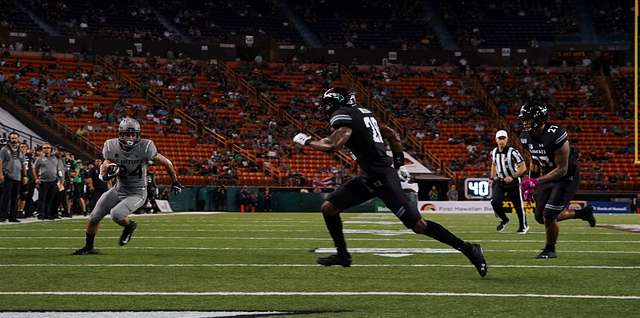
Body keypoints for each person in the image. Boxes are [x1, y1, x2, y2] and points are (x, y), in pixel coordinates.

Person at [292, 87, 487, 277]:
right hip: (370, 176)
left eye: (327, 104)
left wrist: (307, 141)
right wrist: (400, 164)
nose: (325, 108)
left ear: (335, 102)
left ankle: (469, 249)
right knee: (329, 208)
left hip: (383, 178)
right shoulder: (365, 113)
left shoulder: (344, 114)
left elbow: (332, 145)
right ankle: (343, 255)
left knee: (419, 226)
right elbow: (391, 134)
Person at [73, 117, 183, 255]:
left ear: (138, 135)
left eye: (133, 134)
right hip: (118, 189)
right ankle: (88, 247)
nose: (130, 137)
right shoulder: (111, 146)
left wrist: (175, 181)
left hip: (137, 192)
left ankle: (129, 226)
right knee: (94, 217)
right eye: (127, 133)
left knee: (116, 214)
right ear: (120, 134)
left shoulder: (146, 147)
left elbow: (167, 162)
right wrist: (105, 174)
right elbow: (104, 166)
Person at [518, 104, 596, 259]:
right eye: (524, 119)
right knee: (540, 217)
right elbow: (535, 159)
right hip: (548, 174)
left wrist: (535, 182)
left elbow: (562, 170)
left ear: (539, 119)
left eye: (528, 119)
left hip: (566, 177)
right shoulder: (525, 137)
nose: (525, 122)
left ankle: (550, 249)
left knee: (549, 216)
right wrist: (531, 182)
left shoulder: (556, 134)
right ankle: (581, 213)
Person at [489, 130, 528, 234]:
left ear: (507, 139)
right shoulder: (494, 152)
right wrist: (492, 177)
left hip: (513, 181)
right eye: (499, 138)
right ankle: (505, 220)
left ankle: (523, 226)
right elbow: (493, 164)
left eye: (503, 138)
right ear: (496, 140)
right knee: (494, 202)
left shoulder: (513, 152)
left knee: (518, 205)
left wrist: (512, 176)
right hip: (500, 181)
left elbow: (523, 167)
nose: (501, 141)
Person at [33, 143, 63, 220]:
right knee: (42, 199)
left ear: (50, 149)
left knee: (50, 199)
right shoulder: (39, 158)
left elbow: (58, 169)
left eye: (48, 148)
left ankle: (48, 214)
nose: (46, 149)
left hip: (53, 181)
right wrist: (36, 178)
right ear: (42, 149)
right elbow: (34, 169)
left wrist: (60, 179)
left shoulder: (55, 158)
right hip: (43, 181)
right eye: (44, 148)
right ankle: (41, 214)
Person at [0, 132, 26, 222]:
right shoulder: (4, 149)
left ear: (18, 139)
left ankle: (12, 217)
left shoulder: (20, 150)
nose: (14, 140)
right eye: (12, 138)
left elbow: (23, 163)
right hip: (8, 176)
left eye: (15, 138)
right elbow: (0, 162)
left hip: (18, 177)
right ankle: (2, 216)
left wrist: (25, 176)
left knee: (15, 197)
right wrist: (1, 174)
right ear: (9, 139)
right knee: (6, 197)